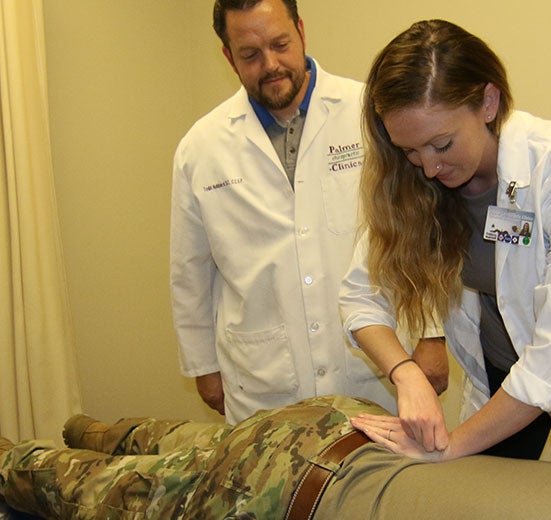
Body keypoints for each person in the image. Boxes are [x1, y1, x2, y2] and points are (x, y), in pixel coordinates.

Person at [339, 20, 551, 487]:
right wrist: (406, 374)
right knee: (487, 501)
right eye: (410, 151)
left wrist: (450, 446)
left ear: (488, 102)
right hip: (500, 372)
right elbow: (359, 298)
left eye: (441, 144)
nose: (429, 167)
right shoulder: (413, 183)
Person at [169, 0, 447, 424]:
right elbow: (190, 270)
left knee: (382, 487)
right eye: (250, 54)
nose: (271, 64)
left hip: (374, 367)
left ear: (301, 31)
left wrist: (432, 331)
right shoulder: (200, 148)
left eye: (281, 44)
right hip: (263, 380)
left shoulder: (369, 111)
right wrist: (203, 368)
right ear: (228, 55)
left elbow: (420, 223)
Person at [0, 395, 551, 520]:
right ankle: (6, 458)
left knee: (201, 447)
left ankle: (100, 427)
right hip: (282, 493)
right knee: (117, 498)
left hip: (343, 424)